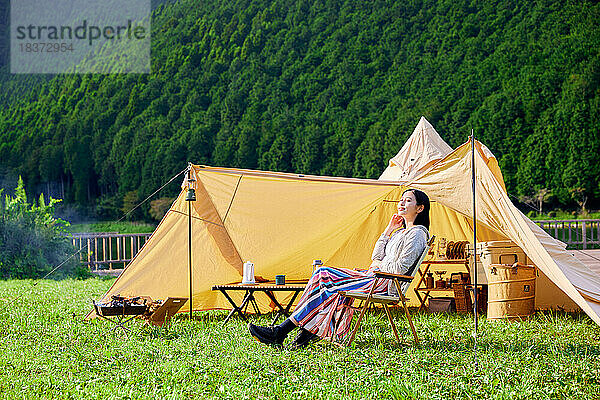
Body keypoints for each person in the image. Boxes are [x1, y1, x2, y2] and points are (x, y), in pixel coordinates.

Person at [248, 189, 431, 349]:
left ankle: (284, 331)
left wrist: (378, 265)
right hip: (374, 277)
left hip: (385, 284)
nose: (402, 203)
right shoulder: (400, 232)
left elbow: (399, 268)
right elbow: (375, 257)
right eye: (401, 199)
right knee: (322, 274)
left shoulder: (417, 235)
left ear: (420, 208)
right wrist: (388, 230)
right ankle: (300, 331)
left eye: (408, 200)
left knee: (329, 285)